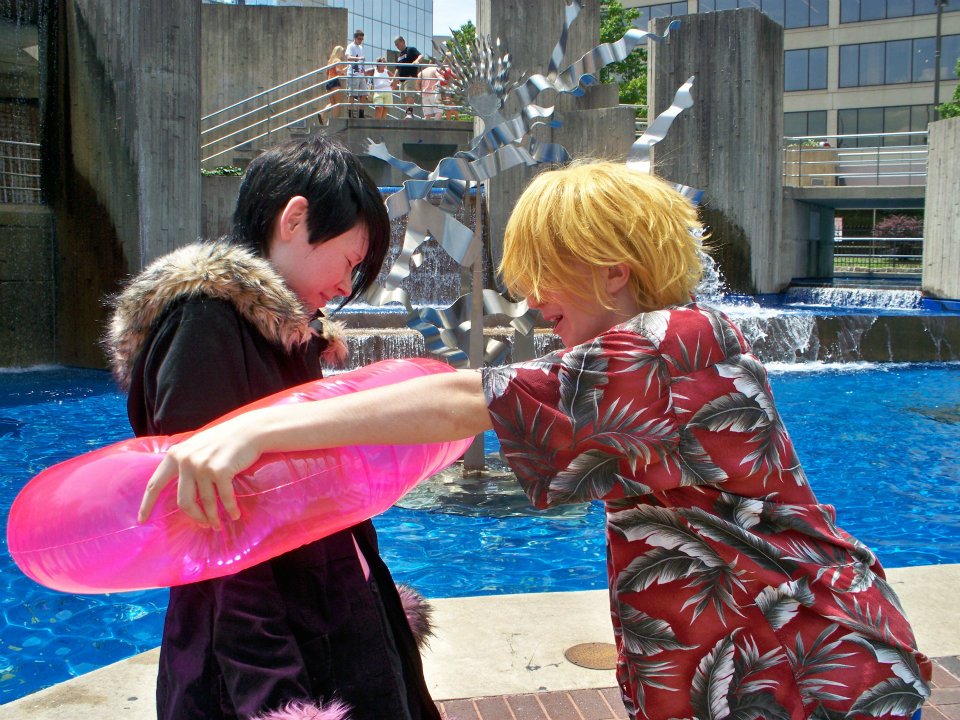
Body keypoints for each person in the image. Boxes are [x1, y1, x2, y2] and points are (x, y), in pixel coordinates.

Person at [140, 161, 932, 720]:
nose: (528, 296)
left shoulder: (670, 345)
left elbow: (468, 398)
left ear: (614, 270)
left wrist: (253, 428)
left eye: (545, 269)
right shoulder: (668, 350)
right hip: (767, 667)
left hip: (803, 671)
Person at [107, 136, 441, 720]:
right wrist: (278, 699)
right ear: (294, 219)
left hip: (324, 616)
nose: (347, 287)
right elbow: (219, 541)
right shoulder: (206, 326)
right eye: (349, 261)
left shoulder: (283, 333)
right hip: (268, 656)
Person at [393, 35, 423, 108]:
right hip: (402, 80)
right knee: (403, 98)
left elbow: (421, 56)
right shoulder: (400, 55)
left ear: (403, 42)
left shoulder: (411, 49)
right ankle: (408, 112)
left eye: (398, 44)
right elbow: (397, 68)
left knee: (409, 96)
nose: (397, 46)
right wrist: (394, 80)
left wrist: (416, 61)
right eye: (396, 45)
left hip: (410, 77)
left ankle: (409, 112)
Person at [318, 45, 346, 123]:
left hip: (329, 82)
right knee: (337, 103)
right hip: (335, 82)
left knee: (332, 103)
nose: (343, 54)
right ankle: (333, 121)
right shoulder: (338, 60)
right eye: (342, 52)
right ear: (339, 52)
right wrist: (344, 72)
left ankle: (322, 113)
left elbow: (328, 72)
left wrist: (342, 71)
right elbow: (338, 71)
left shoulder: (330, 61)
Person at [345, 29, 368, 118]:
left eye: (362, 39)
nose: (360, 40)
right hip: (353, 73)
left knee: (364, 94)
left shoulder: (361, 48)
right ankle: (350, 113)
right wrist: (358, 58)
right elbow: (348, 57)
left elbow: (362, 63)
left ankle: (361, 114)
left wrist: (365, 74)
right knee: (352, 94)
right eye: (359, 39)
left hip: (361, 74)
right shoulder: (351, 46)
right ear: (355, 38)